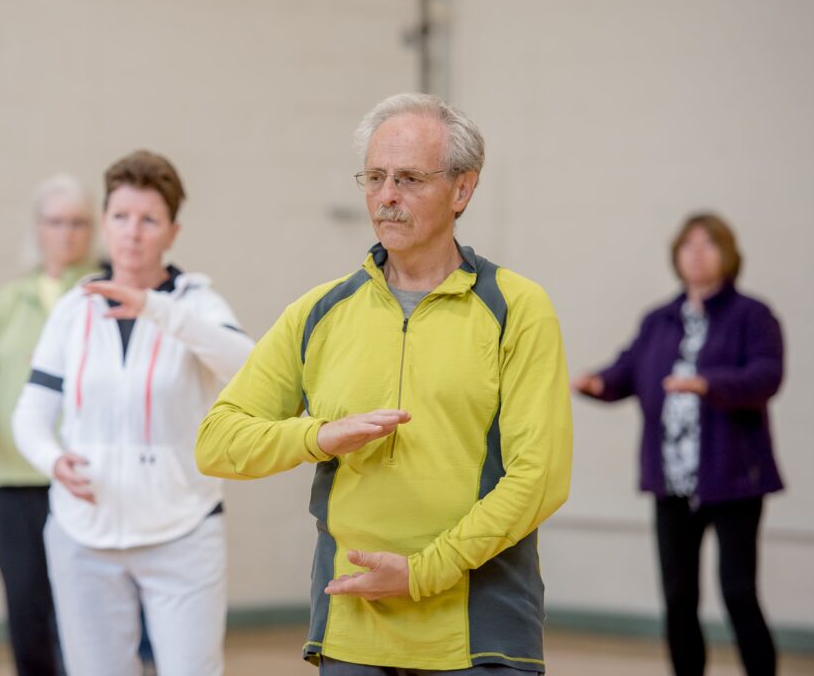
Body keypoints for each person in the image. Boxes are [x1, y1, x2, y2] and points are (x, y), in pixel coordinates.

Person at [194, 93, 572, 674]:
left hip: (482, 629)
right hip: (353, 626)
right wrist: (318, 437)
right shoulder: (319, 311)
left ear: (463, 190)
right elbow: (217, 441)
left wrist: (422, 574)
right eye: (374, 177)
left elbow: (539, 478)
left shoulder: (518, 308)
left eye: (409, 179)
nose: (386, 197)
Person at [11, 149, 253, 676]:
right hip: (82, 535)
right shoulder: (74, 308)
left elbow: (248, 366)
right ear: (104, 223)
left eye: (149, 220)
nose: (133, 232)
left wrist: (158, 309)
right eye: (120, 217)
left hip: (183, 533)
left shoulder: (199, 304)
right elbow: (30, 414)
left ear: (173, 231)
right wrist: (53, 461)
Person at [572, 213, 784, 676]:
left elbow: (767, 376)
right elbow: (627, 370)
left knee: (738, 593)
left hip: (734, 480)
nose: (697, 253)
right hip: (670, 481)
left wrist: (708, 383)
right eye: (688, 245)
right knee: (678, 596)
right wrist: (596, 383)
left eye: (708, 245)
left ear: (728, 256)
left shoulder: (753, 315)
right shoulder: (659, 320)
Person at [0, 174, 97, 676]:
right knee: (26, 602)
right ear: (38, 228)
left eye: (77, 223)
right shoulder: (9, 300)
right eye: (55, 222)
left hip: (81, 474)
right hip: (12, 477)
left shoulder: (105, 291)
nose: (66, 233)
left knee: (84, 606)